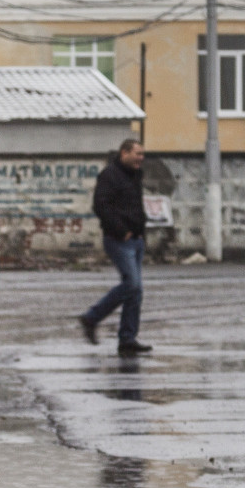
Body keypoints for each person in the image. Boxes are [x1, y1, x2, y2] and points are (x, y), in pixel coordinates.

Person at [79, 136, 152, 354]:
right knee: (132, 285)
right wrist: (122, 230)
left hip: (136, 239)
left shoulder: (135, 175)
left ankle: (127, 339)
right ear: (124, 153)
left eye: (142, 154)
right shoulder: (110, 175)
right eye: (137, 154)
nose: (141, 158)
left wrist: (139, 229)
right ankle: (91, 318)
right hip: (118, 239)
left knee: (136, 292)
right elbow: (101, 205)